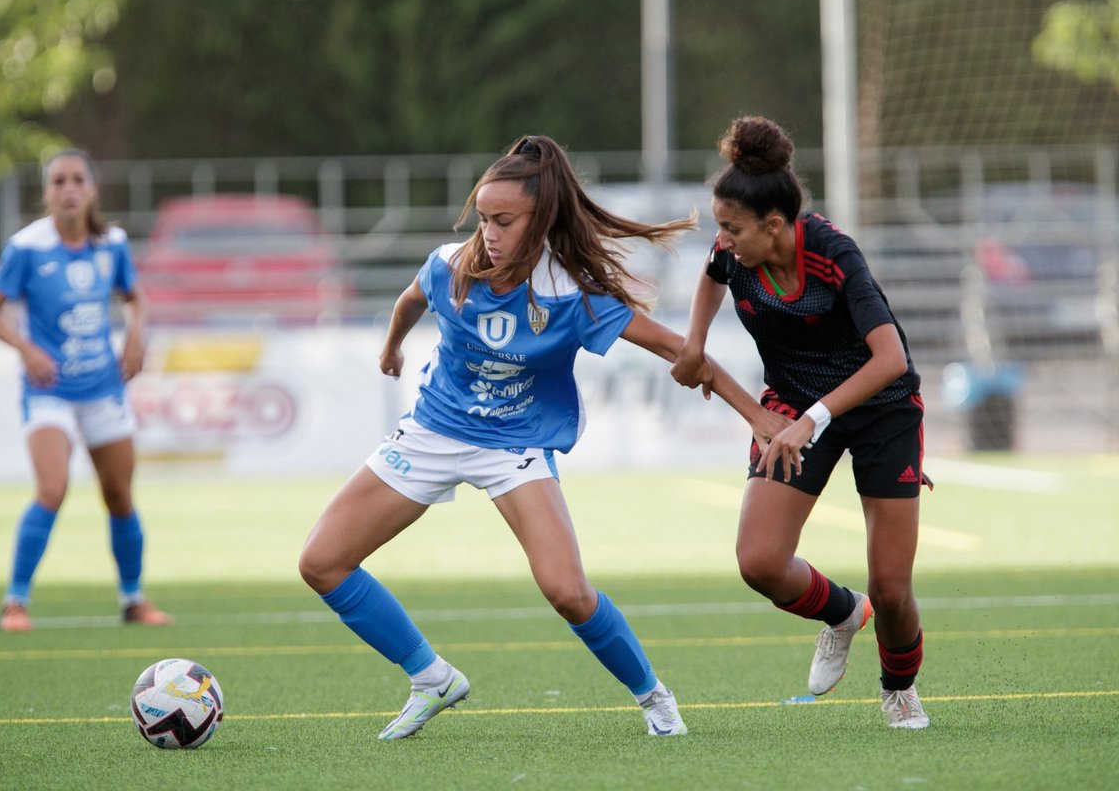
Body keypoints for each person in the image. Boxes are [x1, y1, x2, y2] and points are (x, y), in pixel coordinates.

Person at [298, 135, 784, 740]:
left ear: (542, 220)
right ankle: (431, 677)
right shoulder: (450, 265)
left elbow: (677, 350)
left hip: (516, 446)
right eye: (483, 218)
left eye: (504, 221)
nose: (489, 233)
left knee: (567, 592)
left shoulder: (570, 295)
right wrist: (393, 347)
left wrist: (757, 417)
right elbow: (410, 299)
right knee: (321, 563)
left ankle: (653, 696)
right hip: (433, 431)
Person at [671, 116, 932, 730]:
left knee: (893, 589)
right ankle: (843, 613)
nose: (723, 240)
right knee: (759, 562)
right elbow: (712, 277)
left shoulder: (834, 255)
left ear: (775, 225)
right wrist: (693, 343)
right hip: (791, 401)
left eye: (732, 229)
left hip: (882, 407)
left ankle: (899, 688)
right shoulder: (733, 249)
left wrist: (811, 420)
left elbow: (890, 357)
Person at [0, 148, 172, 633]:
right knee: (52, 488)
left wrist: (136, 334)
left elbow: (135, 297)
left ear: (91, 190)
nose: (68, 189)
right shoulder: (27, 247)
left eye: (77, 180)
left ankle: (134, 600)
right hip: (49, 391)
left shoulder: (113, 243)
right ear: (46, 193)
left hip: (103, 387)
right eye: (58, 181)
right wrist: (25, 348)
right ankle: (14, 604)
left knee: (120, 496)